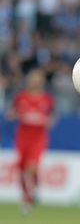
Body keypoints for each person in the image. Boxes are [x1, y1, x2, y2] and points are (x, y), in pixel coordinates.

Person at [6, 68, 55, 214]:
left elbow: (51, 117)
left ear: (41, 81)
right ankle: (26, 196)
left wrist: (47, 121)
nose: (35, 81)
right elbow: (12, 113)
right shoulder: (21, 97)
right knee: (21, 170)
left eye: (38, 78)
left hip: (38, 137)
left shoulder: (47, 99)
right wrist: (16, 114)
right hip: (22, 136)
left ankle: (30, 196)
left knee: (32, 166)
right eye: (33, 78)